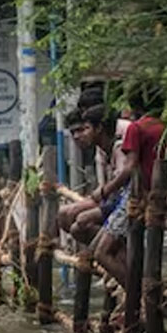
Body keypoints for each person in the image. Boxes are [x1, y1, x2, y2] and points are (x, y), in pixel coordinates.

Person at [93, 83, 166, 285]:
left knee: (102, 252)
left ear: (134, 104)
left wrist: (106, 190)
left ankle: (140, 296)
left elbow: (130, 167)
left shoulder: (137, 128)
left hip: (140, 195)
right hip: (164, 193)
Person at [59, 101, 125, 245]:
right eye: (73, 132)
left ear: (99, 128)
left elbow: (123, 180)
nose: (77, 136)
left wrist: (103, 192)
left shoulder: (119, 147)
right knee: (64, 215)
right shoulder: (101, 149)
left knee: (77, 220)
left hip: (122, 201)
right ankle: (104, 247)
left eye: (84, 129)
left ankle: (113, 248)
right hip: (112, 199)